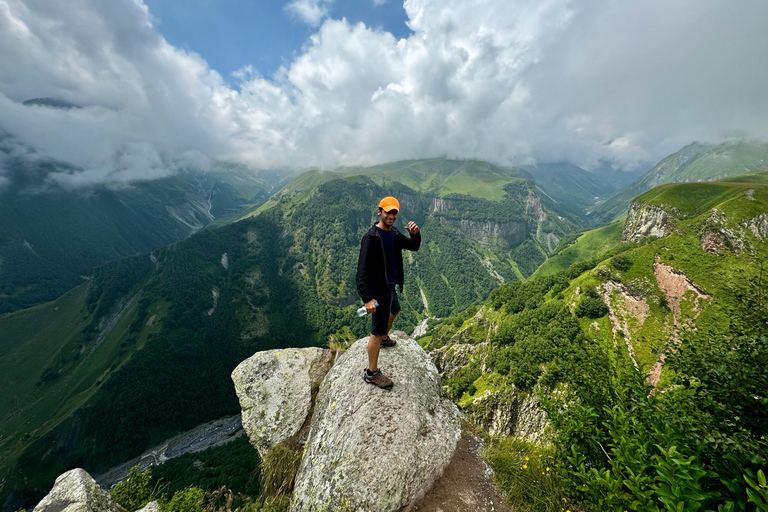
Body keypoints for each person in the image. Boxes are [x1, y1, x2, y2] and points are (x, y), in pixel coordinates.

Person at [356, 196, 421, 389]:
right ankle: (371, 373)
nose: (391, 216)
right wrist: (367, 298)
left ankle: (385, 338)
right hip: (378, 292)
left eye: (394, 212)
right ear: (379, 212)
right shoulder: (371, 238)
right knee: (375, 332)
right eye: (388, 212)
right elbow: (361, 272)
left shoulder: (393, 233)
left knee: (396, 308)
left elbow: (413, 246)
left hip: (390, 286)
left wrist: (416, 234)